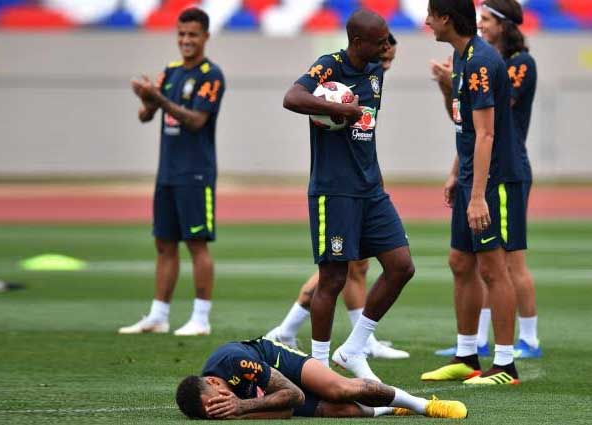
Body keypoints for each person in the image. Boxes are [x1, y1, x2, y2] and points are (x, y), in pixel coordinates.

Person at [282, 9, 415, 382]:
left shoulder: (375, 71)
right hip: (334, 190)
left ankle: (354, 348)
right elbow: (292, 97)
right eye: (380, 41)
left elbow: (366, 132)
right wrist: (337, 109)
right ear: (357, 42)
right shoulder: (330, 66)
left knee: (401, 266)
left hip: (371, 190)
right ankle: (319, 368)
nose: (386, 47)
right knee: (333, 279)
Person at [420, 0, 528, 385]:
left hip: (494, 180)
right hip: (471, 176)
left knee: (493, 268)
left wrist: (479, 195)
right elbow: (463, 124)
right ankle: (467, 356)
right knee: (460, 262)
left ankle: (505, 365)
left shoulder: (481, 62)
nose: (426, 21)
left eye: (431, 14)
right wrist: (456, 173)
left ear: (447, 19)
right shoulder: (462, 58)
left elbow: (486, 134)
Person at [119, 7, 225, 336]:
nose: (186, 40)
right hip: (167, 171)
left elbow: (196, 121)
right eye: (181, 34)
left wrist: (158, 99)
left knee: (196, 243)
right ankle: (158, 315)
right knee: (164, 243)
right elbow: (145, 116)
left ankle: (201, 319)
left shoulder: (211, 75)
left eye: (192, 34)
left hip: (195, 172)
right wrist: (146, 97)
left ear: (205, 36)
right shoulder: (171, 71)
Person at [175, 337, 468, 419]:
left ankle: (424, 405)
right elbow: (286, 411)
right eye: (216, 412)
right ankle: (392, 407)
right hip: (272, 390)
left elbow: (295, 395)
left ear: (213, 382)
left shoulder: (234, 362)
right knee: (338, 410)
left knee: (340, 390)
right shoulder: (223, 403)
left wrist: (242, 407)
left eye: (219, 401)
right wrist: (238, 412)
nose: (223, 405)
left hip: (276, 360)